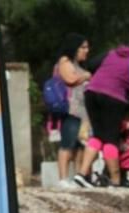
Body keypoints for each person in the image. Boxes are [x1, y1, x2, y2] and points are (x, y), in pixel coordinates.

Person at [73, 44, 129, 188]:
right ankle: (115, 181)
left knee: (98, 136)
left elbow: (91, 65)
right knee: (111, 139)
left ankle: (82, 174)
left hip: (91, 92)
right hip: (113, 97)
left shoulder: (112, 52)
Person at [53, 34, 91, 188]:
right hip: (71, 110)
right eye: (83, 47)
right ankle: (62, 178)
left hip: (82, 112)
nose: (86, 51)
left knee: (80, 146)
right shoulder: (64, 61)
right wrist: (86, 76)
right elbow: (70, 79)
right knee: (67, 144)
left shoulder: (79, 66)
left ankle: (78, 177)